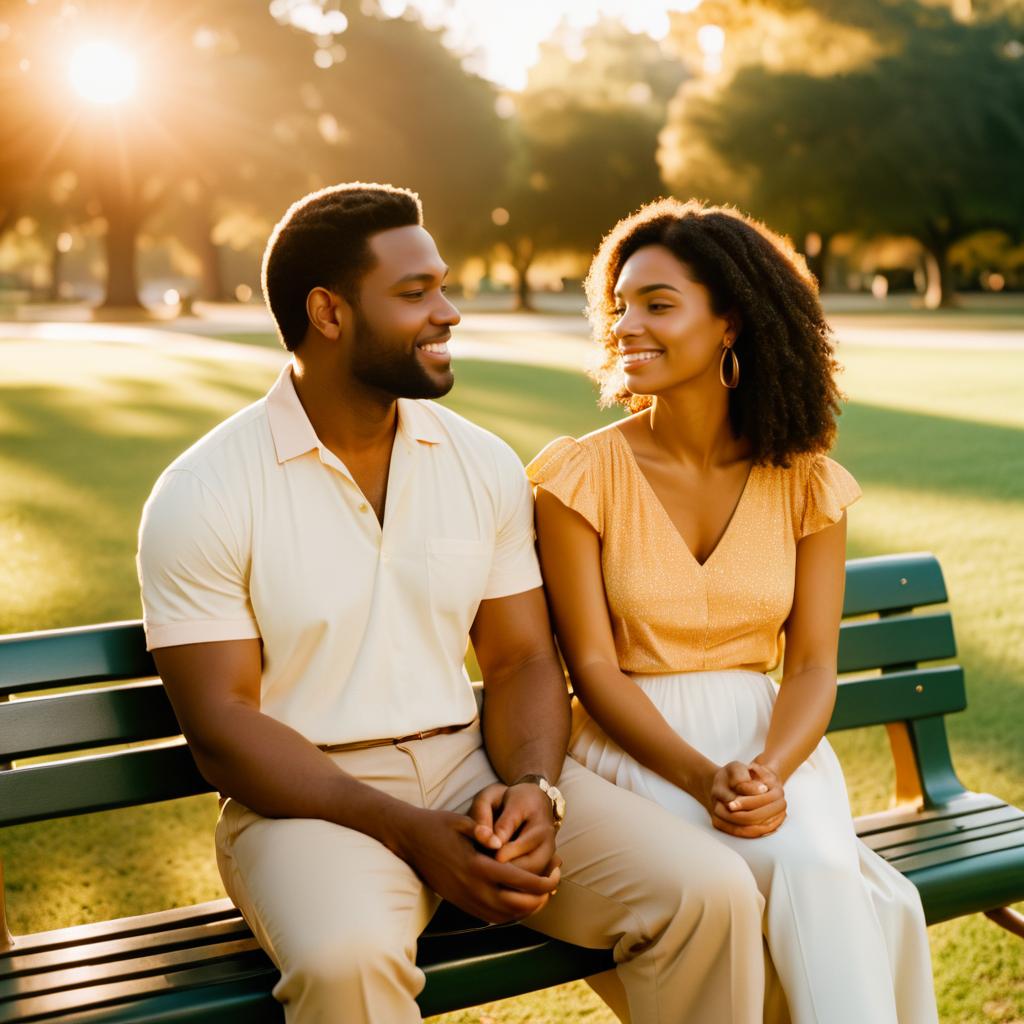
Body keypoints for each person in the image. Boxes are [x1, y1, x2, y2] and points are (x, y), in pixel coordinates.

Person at [136, 183, 767, 1024]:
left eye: (441, 284)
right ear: (328, 312)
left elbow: (521, 658)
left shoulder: (481, 463)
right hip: (310, 799)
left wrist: (538, 789)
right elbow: (222, 725)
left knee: (709, 892)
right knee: (345, 963)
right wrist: (405, 828)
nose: (448, 312)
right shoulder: (204, 493)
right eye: (414, 294)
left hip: (474, 771)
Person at [527, 197, 939, 1024]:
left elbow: (815, 663)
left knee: (820, 876)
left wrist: (772, 772)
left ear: (730, 325)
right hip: (636, 745)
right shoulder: (578, 478)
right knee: (786, 888)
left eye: (658, 305)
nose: (626, 326)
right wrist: (700, 776)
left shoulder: (807, 479)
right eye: (620, 307)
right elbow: (594, 668)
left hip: (769, 744)